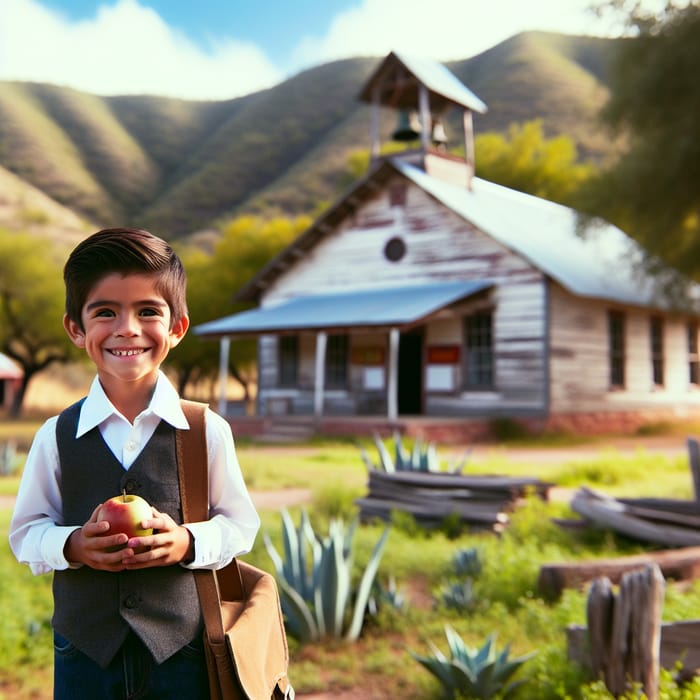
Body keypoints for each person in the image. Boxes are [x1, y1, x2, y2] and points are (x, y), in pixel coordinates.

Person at [9, 227, 260, 699]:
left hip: (183, 652)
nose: (127, 328)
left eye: (148, 311)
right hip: (85, 654)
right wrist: (74, 546)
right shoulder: (56, 436)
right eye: (105, 312)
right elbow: (25, 533)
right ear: (76, 329)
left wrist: (187, 541)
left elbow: (240, 526)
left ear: (177, 328)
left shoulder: (204, 430)